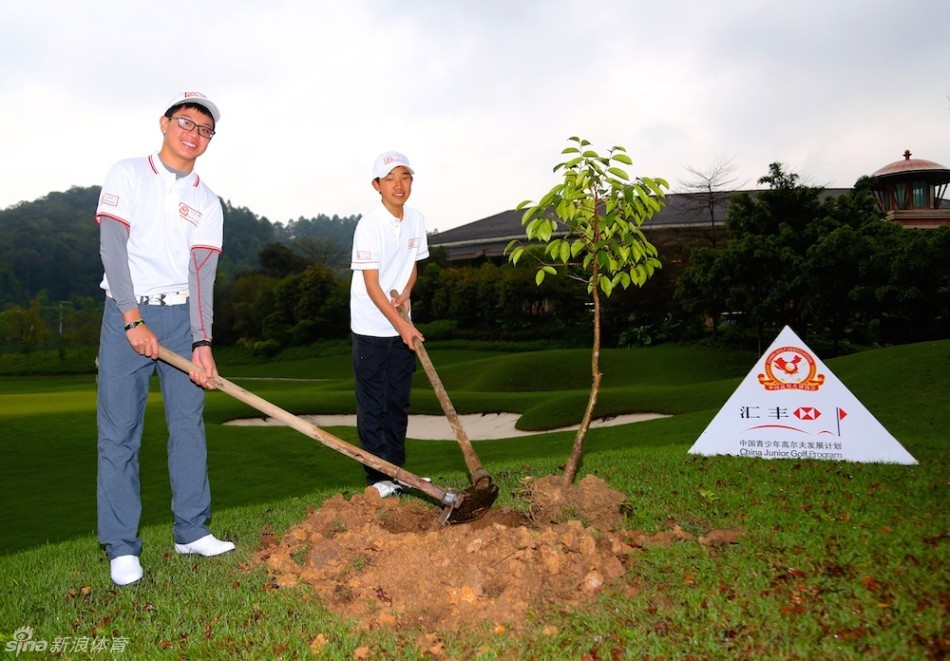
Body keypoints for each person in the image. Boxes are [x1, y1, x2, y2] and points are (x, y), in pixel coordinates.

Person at [95, 91, 234, 587]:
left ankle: (192, 531)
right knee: (119, 434)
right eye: (185, 122)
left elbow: (201, 275)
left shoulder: (207, 201)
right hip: (126, 313)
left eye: (204, 129)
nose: (193, 134)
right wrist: (133, 320)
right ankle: (121, 546)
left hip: (180, 317)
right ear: (165, 123)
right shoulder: (127, 173)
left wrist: (202, 342)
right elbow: (113, 249)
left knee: (188, 426)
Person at [350, 151, 430, 497]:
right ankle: (377, 478)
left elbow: (412, 265)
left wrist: (407, 292)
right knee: (374, 406)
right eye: (390, 178)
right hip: (371, 327)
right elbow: (372, 285)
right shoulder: (369, 225)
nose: (399, 185)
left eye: (405, 177)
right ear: (377, 185)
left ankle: (398, 472)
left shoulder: (416, 220)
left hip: (400, 322)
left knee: (398, 402)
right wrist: (401, 326)